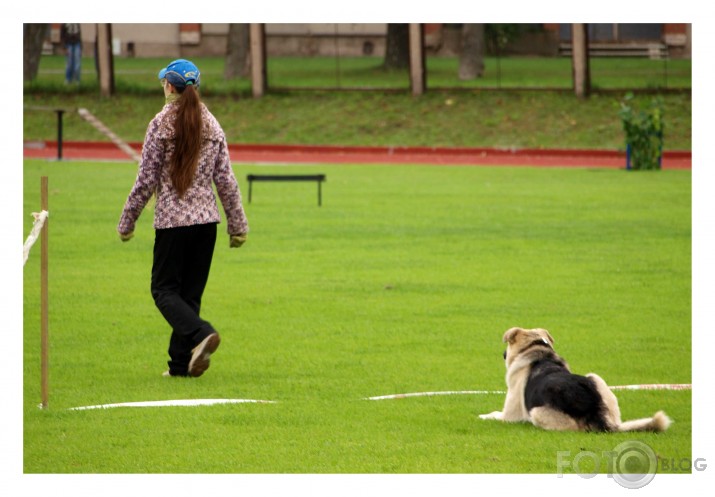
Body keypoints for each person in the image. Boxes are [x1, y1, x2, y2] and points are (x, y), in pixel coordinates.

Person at [118, 59, 249, 377]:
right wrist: (237, 224)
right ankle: (180, 366)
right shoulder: (213, 125)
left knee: (163, 291)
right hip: (206, 224)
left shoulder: (160, 124)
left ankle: (203, 333)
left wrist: (128, 220)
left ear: (168, 86)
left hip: (173, 223)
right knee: (188, 295)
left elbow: (146, 179)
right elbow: (226, 179)